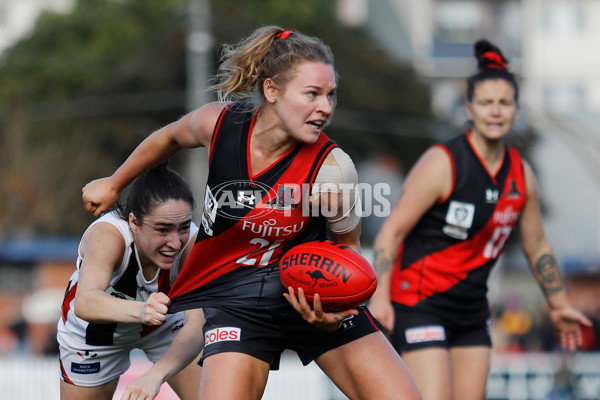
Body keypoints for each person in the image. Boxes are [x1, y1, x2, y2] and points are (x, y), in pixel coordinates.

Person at [81, 25, 422, 400]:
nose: (325, 107)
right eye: (312, 94)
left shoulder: (333, 169)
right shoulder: (219, 124)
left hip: (310, 294)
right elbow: (170, 138)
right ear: (271, 90)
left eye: (330, 95)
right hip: (236, 302)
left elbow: (349, 247)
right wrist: (115, 182)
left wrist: (339, 309)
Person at [368, 39, 593, 400]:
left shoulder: (522, 176)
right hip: (420, 300)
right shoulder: (443, 163)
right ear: (470, 108)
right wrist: (380, 297)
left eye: (504, 103)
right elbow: (392, 231)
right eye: (486, 103)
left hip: (472, 309)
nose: (495, 111)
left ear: (516, 110)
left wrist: (560, 304)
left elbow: (537, 246)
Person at [57, 164, 203, 400]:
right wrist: (142, 310)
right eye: (163, 229)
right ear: (134, 222)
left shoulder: (192, 244)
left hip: (165, 325)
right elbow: (85, 302)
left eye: (183, 227)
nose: (176, 242)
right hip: (95, 333)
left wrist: (155, 376)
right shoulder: (109, 236)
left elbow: (197, 326)